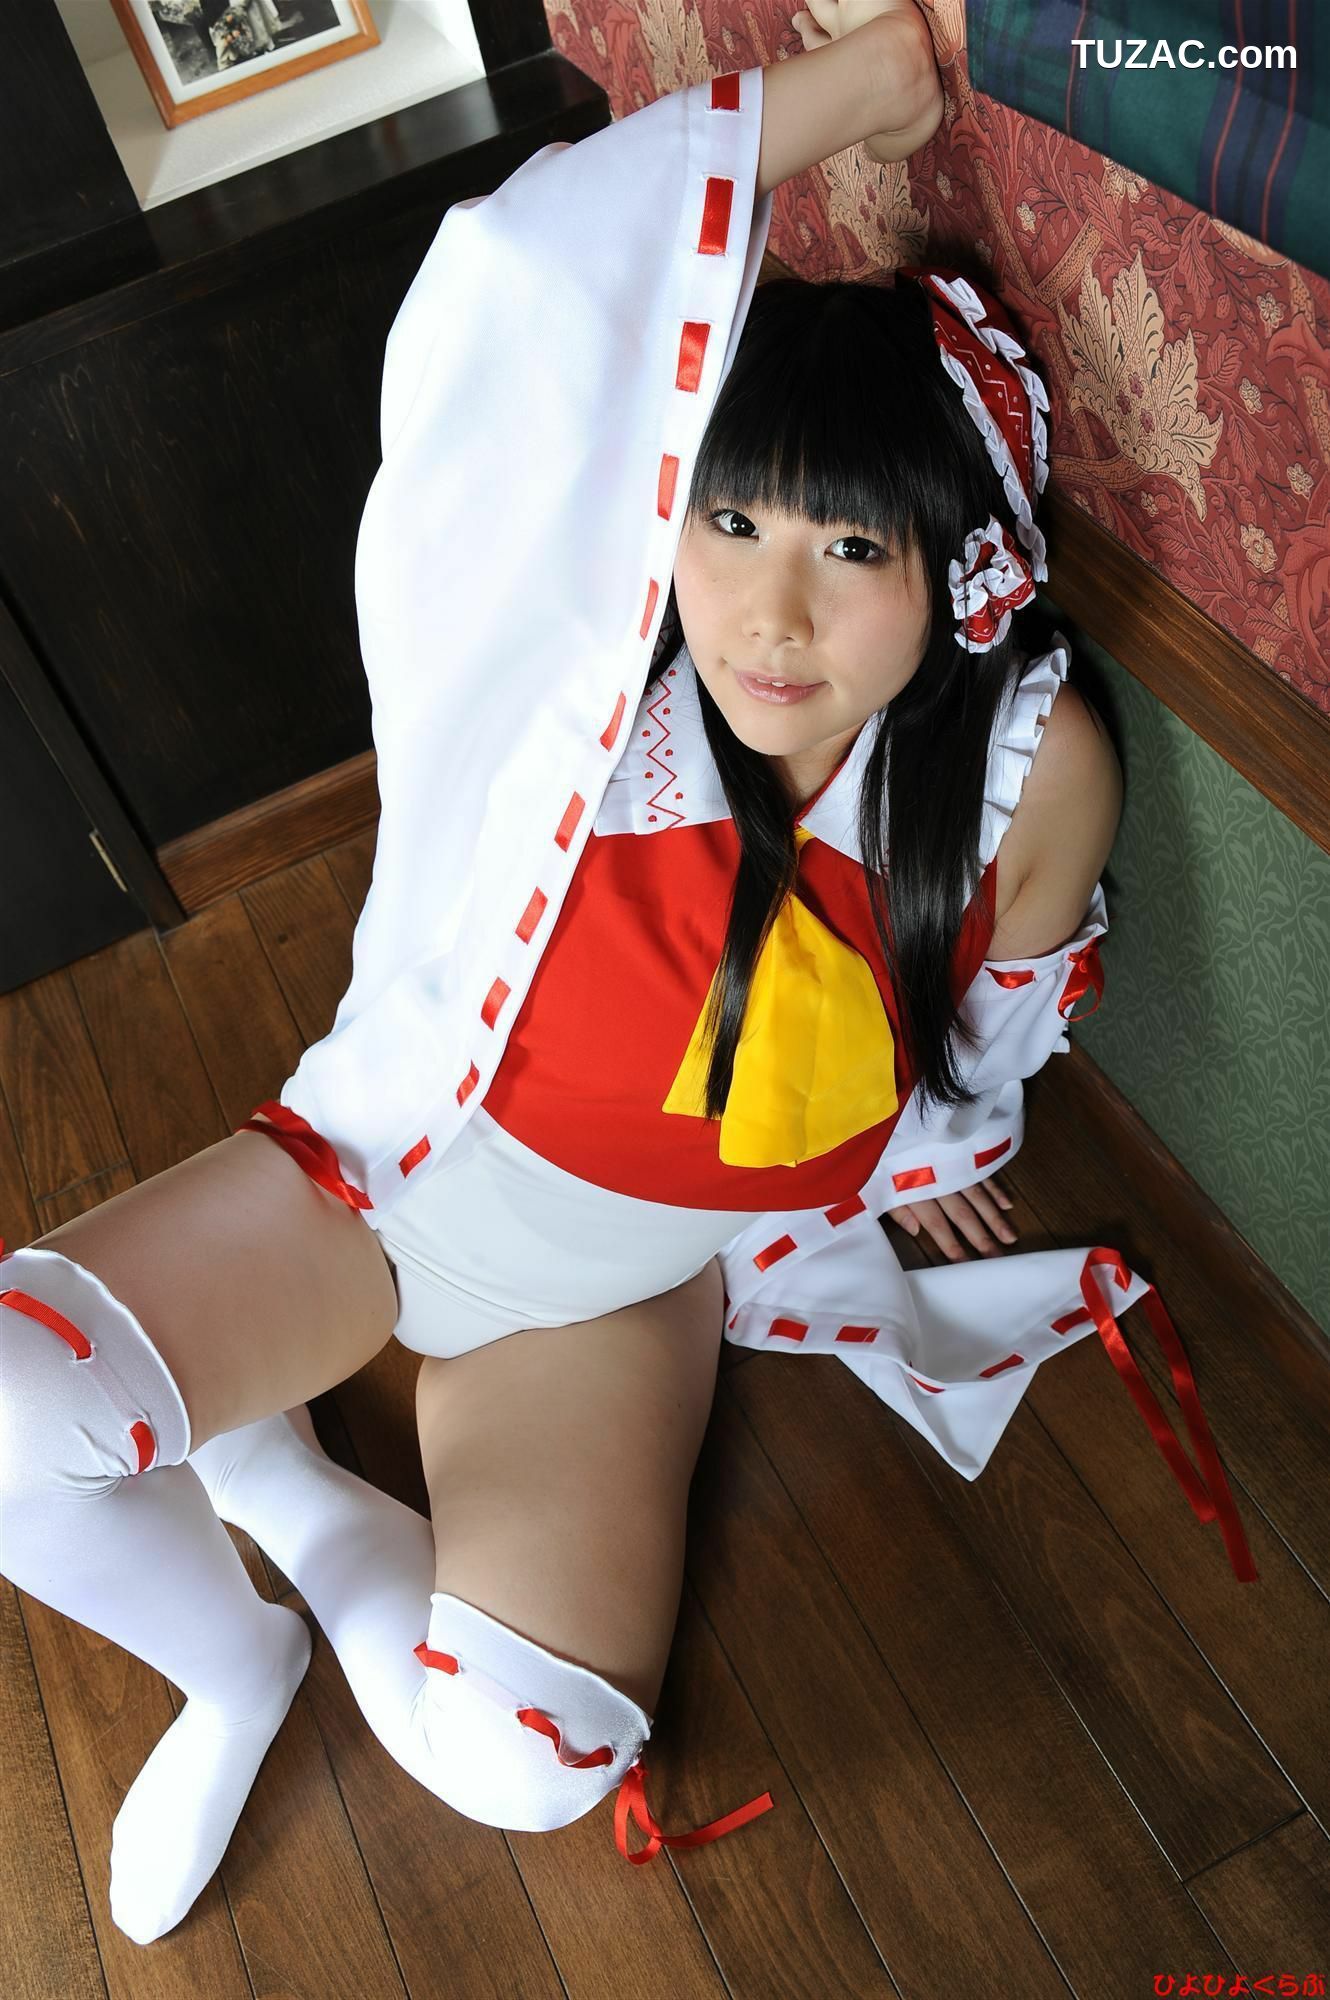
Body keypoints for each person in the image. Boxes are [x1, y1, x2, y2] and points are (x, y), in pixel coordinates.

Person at [0, 0, 1255, 1952]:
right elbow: (513, 285)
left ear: (955, 564)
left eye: (851, 547)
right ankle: (233, 1667)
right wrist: (865, 87)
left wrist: (929, 1156)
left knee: (532, 1758)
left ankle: (289, 1489)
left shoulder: (1024, 771)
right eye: (728, 520)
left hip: (622, 1292)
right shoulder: (587, 684)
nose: (767, 610)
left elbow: (980, 1020)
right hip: (382, 1194)